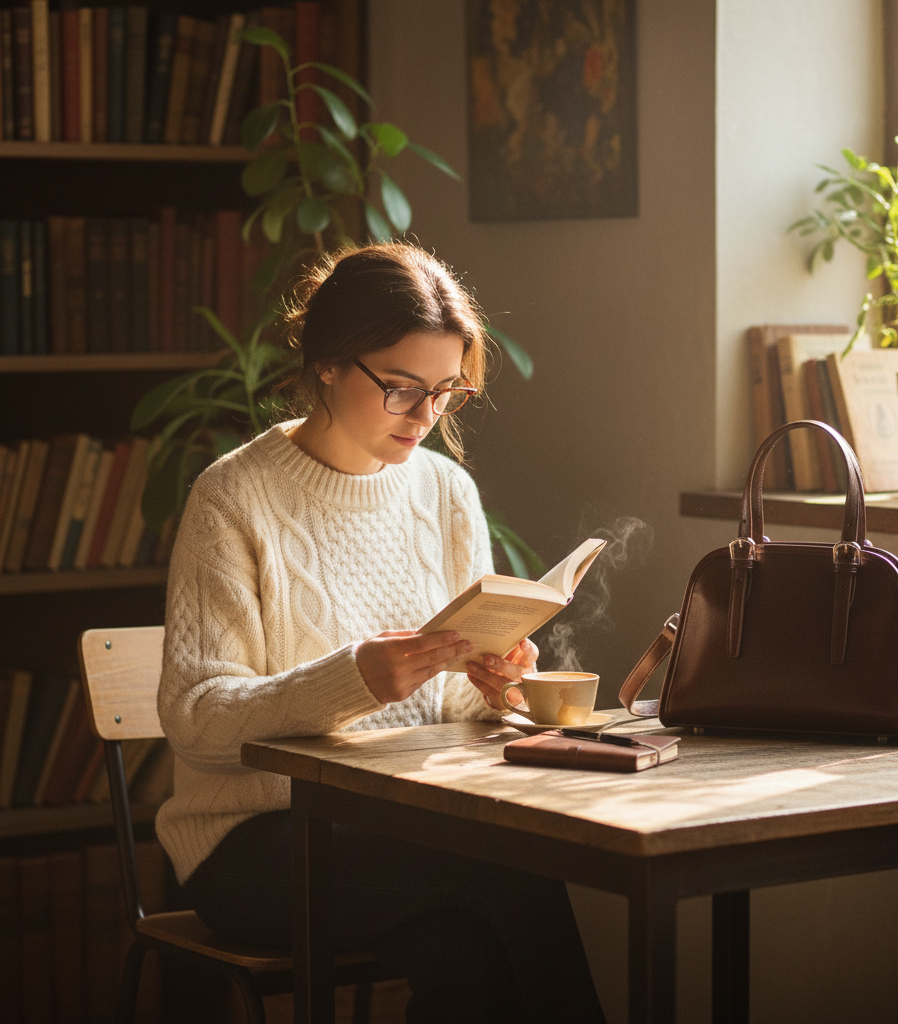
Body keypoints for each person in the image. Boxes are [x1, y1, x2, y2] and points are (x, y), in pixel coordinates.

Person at [155, 242, 607, 1023]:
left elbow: (455, 721)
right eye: (401, 389)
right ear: (329, 363)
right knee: (510, 869)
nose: (426, 417)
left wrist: (493, 686)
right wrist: (352, 679)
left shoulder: (446, 492)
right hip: (252, 844)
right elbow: (196, 719)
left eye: (446, 393)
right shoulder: (233, 497)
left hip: (398, 824)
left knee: (470, 962)